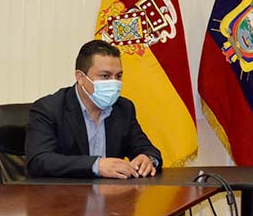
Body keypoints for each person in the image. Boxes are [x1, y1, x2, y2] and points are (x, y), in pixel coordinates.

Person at [25, 40, 162, 179]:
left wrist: (148, 158)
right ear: (80, 77)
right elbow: (39, 160)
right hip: (64, 196)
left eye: (118, 76)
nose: (114, 83)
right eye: (105, 76)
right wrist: (96, 165)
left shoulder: (123, 108)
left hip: (113, 196)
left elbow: (147, 148)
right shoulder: (49, 108)